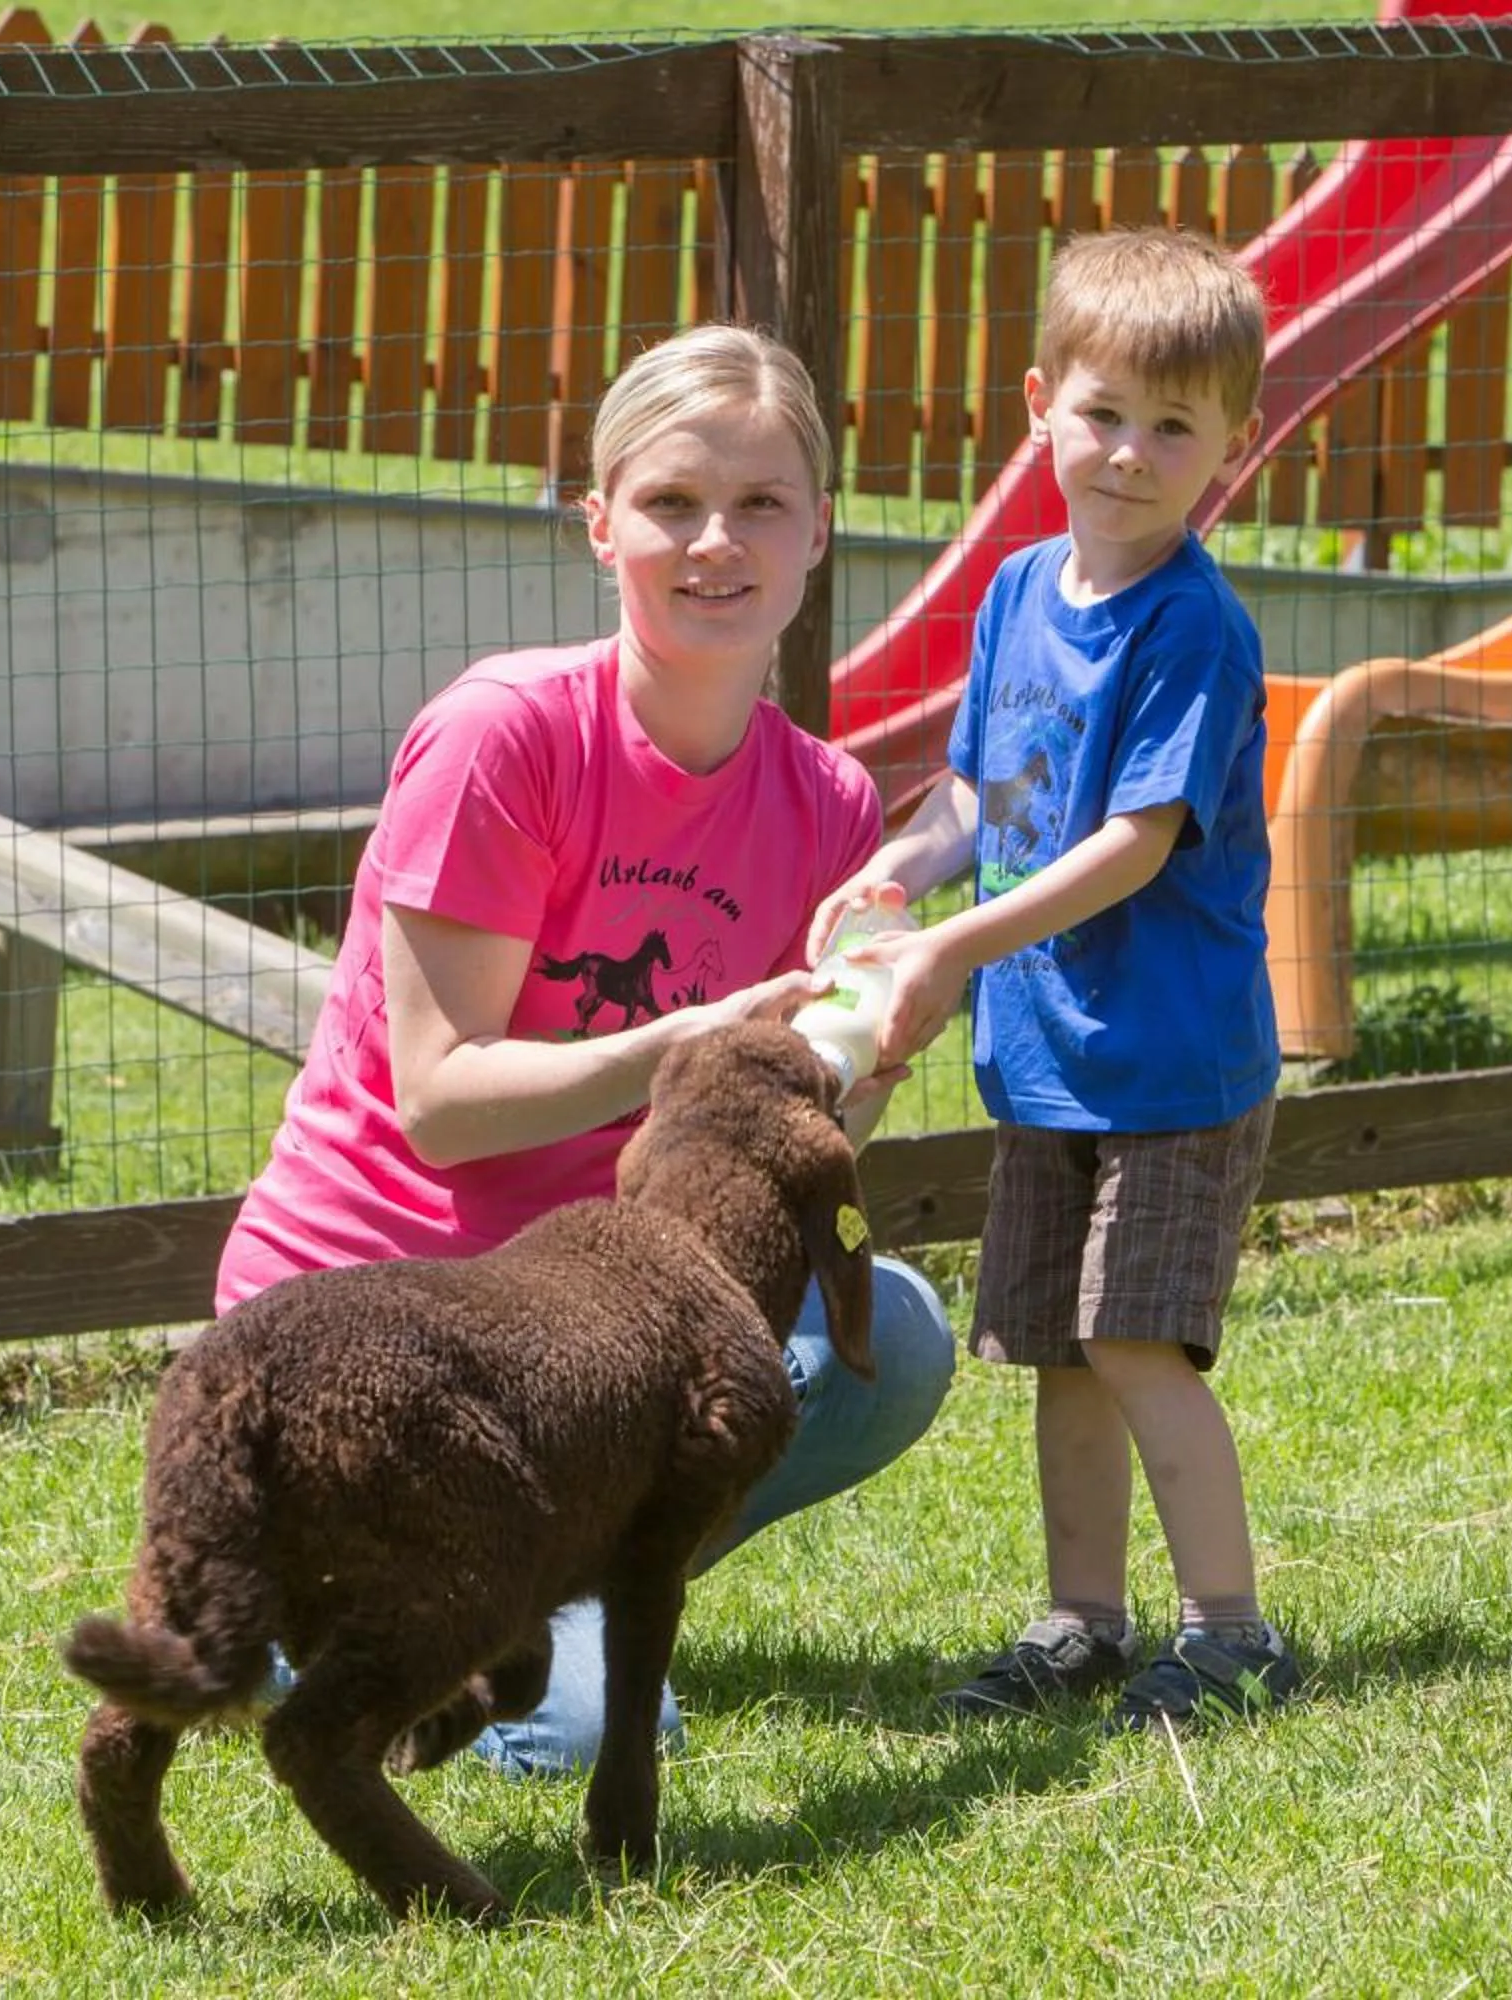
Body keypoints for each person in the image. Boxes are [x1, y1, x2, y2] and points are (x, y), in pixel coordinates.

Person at [216, 323, 958, 1776]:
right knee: (571, 1743)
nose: (714, 542)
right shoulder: (508, 737)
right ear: (599, 522)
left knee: (893, 1344)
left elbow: (762, 1169)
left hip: (585, 1348)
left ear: (820, 533)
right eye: (672, 501)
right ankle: (374, 1600)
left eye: (760, 505)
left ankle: (554, 1585)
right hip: (376, 1335)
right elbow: (439, 1106)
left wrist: (851, 1077)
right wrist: (686, 1039)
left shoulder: (829, 806)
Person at [809, 226, 1298, 1735]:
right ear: (1039, 404)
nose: (1132, 455)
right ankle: (1083, 1620)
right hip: (1050, 1059)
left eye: (1175, 428)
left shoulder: (1194, 631)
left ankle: (1233, 1632)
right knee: (1060, 1353)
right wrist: (907, 870)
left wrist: (953, 949)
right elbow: (983, 792)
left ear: (1236, 446)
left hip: (1168, 1065)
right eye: (1104, 415)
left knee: (1139, 1337)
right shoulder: (1019, 588)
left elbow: (1138, 846)